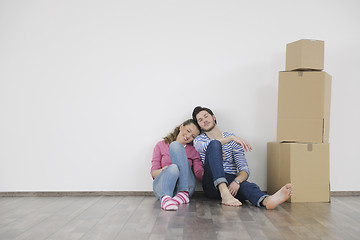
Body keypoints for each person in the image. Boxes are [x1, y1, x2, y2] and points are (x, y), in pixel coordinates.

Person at [192, 106, 293, 209]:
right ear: (199, 125)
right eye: (200, 120)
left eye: (206, 116)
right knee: (214, 145)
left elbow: (244, 169)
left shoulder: (234, 140)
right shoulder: (199, 140)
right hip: (211, 182)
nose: (204, 120)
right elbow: (208, 146)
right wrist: (231, 138)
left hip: (230, 180)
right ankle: (224, 193)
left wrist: (237, 182)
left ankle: (267, 201)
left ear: (213, 117)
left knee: (246, 186)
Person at [151, 119, 203, 211]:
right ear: (181, 126)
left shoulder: (193, 150)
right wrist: (165, 170)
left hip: (187, 189)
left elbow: (199, 174)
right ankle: (166, 198)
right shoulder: (161, 145)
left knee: (176, 147)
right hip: (162, 188)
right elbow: (154, 173)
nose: (188, 136)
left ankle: (182, 193)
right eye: (188, 131)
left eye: (193, 136)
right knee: (174, 167)